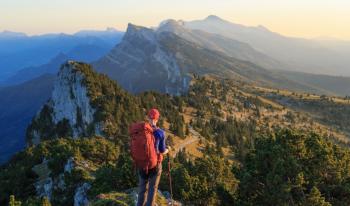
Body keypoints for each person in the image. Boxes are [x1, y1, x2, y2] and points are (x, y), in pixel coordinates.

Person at [136, 108, 169, 206]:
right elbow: (162, 151)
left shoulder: (141, 130)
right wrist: (169, 149)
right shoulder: (160, 133)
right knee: (152, 189)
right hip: (155, 165)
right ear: (157, 119)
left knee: (142, 190)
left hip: (142, 164)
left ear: (148, 118)